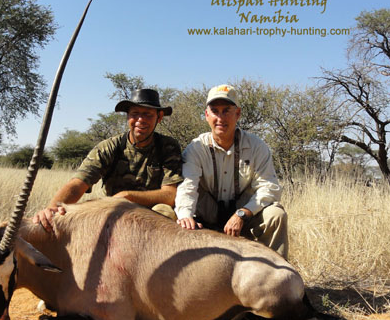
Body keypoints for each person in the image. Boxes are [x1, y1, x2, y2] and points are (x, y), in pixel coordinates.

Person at [34, 88, 183, 231]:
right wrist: (51, 209)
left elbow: (170, 195)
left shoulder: (168, 146)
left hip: (152, 215)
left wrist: (127, 197)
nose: (140, 120)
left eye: (148, 114)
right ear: (128, 117)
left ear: (160, 117)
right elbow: (79, 183)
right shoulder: (108, 147)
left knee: (165, 211)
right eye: (135, 113)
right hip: (114, 213)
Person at [175, 84, 289, 259]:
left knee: (276, 215)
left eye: (226, 110)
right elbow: (187, 186)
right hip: (207, 216)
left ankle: (278, 276)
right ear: (206, 115)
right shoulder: (196, 148)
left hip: (243, 215)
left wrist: (242, 214)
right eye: (215, 111)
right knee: (175, 220)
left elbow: (270, 187)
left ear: (238, 114)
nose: (220, 117)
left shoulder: (256, 146)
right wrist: (185, 216)